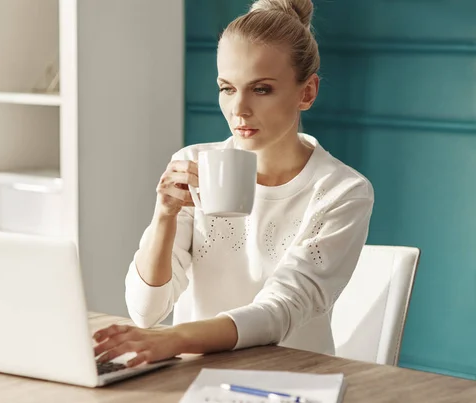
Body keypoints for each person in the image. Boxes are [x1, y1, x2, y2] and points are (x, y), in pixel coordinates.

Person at [93, 0, 374, 368]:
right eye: (227, 88)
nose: (238, 109)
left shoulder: (342, 191)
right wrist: (164, 216)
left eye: (261, 89)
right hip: (194, 377)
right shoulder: (192, 163)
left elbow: (280, 310)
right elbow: (146, 312)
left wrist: (172, 340)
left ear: (306, 92)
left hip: (292, 383)